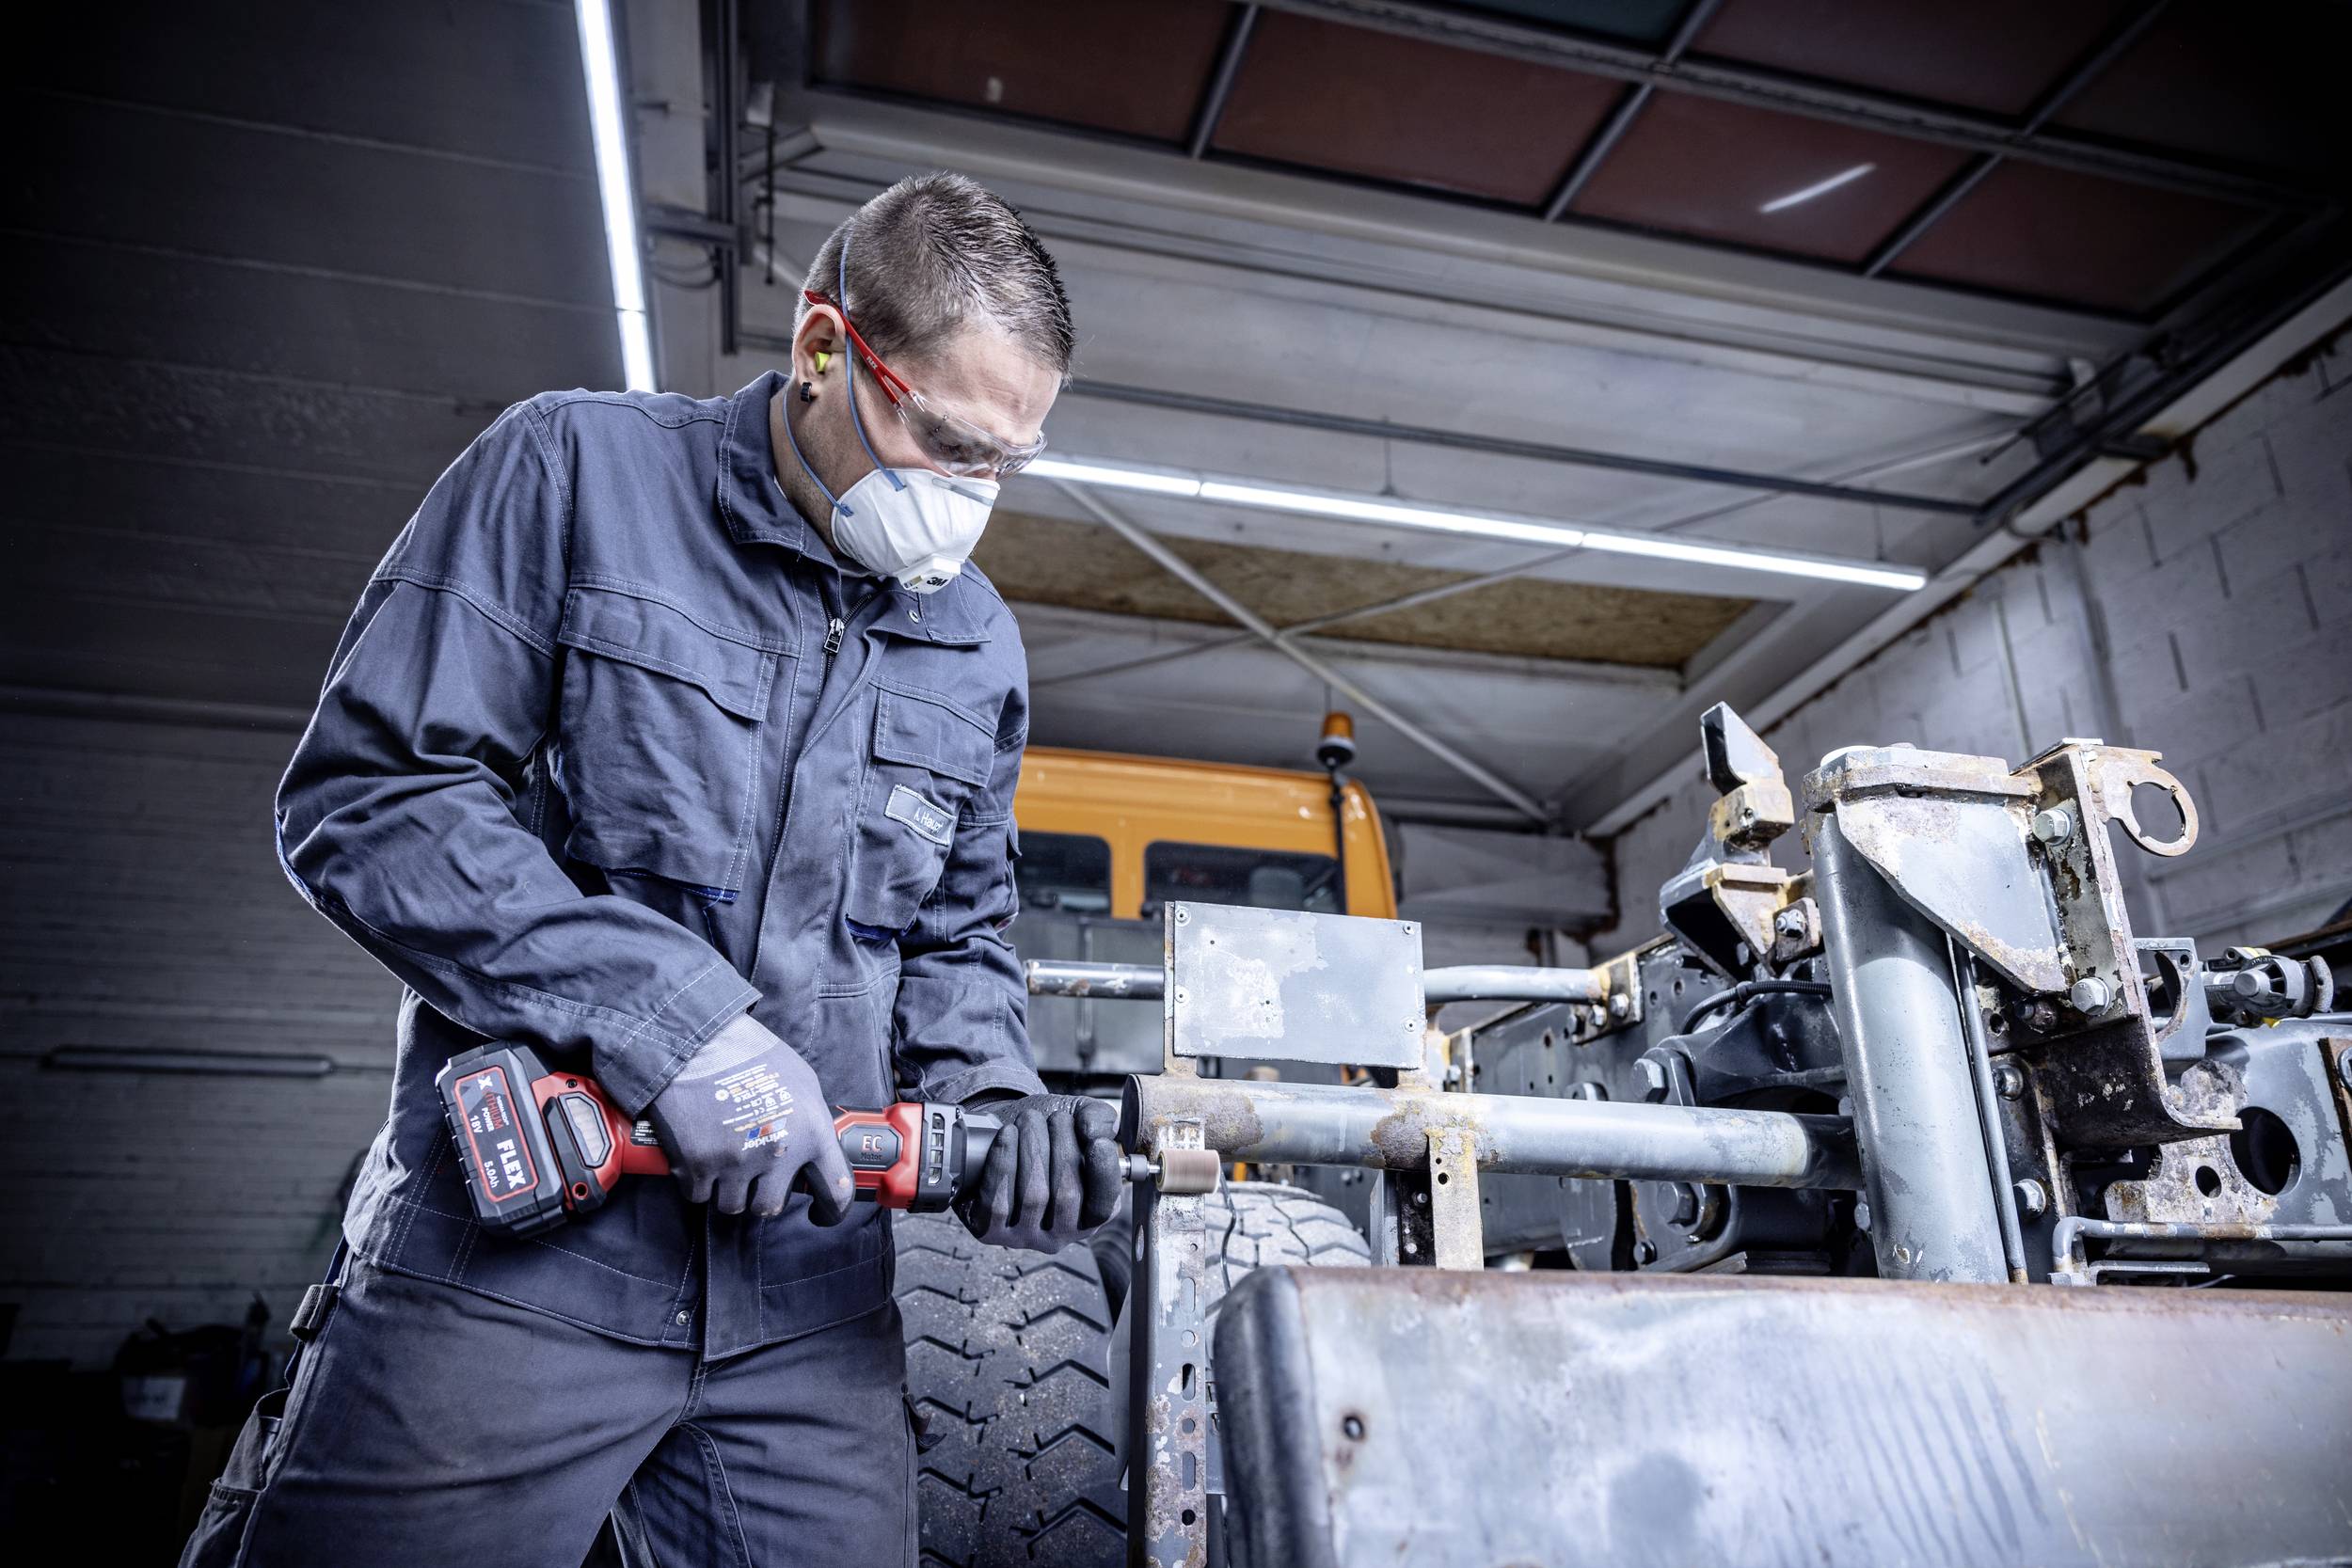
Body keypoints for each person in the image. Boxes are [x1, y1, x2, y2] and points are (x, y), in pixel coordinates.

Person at [190, 172, 1124, 1568]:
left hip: (808, 1314)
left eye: (1008, 462)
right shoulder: (573, 476)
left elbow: (957, 936)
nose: (971, 498)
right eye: (943, 439)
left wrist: (991, 1098)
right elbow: (374, 794)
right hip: (518, 1270)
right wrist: (675, 1032)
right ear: (824, 348)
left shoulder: (973, 640)